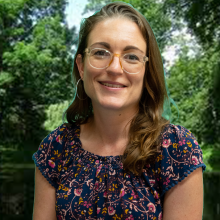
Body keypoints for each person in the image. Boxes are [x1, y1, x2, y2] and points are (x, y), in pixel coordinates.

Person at [32, 1, 206, 219]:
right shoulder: (55, 148)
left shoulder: (176, 148)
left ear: (146, 70)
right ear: (81, 65)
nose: (114, 68)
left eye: (131, 56)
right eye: (100, 53)